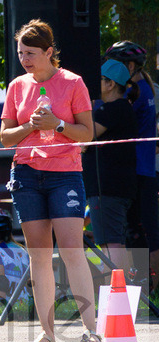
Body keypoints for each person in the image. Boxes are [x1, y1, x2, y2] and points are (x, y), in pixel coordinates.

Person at [0, 19, 100, 342]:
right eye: (20, 53)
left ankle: (92, 330)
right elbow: (4, 137)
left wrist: (57, 123)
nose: (24, 59)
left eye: (30, 53)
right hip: (27, 175)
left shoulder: (72, 82)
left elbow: (86, 133)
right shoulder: (17, 86)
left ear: (49, 52)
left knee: (72, 250)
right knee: (38, 256)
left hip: (64, 174)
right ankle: (48, 335)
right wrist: (30, 125)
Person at [104, 40, 159, 293]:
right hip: (143, 168)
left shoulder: (132, 92)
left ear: (129, 65)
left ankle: (147, 290)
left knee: (140, 231)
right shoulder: (145, 87)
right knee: (143, 229)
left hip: (135, 170)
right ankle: (147, 289)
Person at [83, 59, 138, 278]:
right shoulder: (120, 109)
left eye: (99, 80)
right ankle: (121, 295)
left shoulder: (111, 109)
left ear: (110, 84)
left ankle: (116, 296)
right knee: (112, 241)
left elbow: (83, 140)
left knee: (109, 243)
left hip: (107, 189)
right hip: (114, 188)